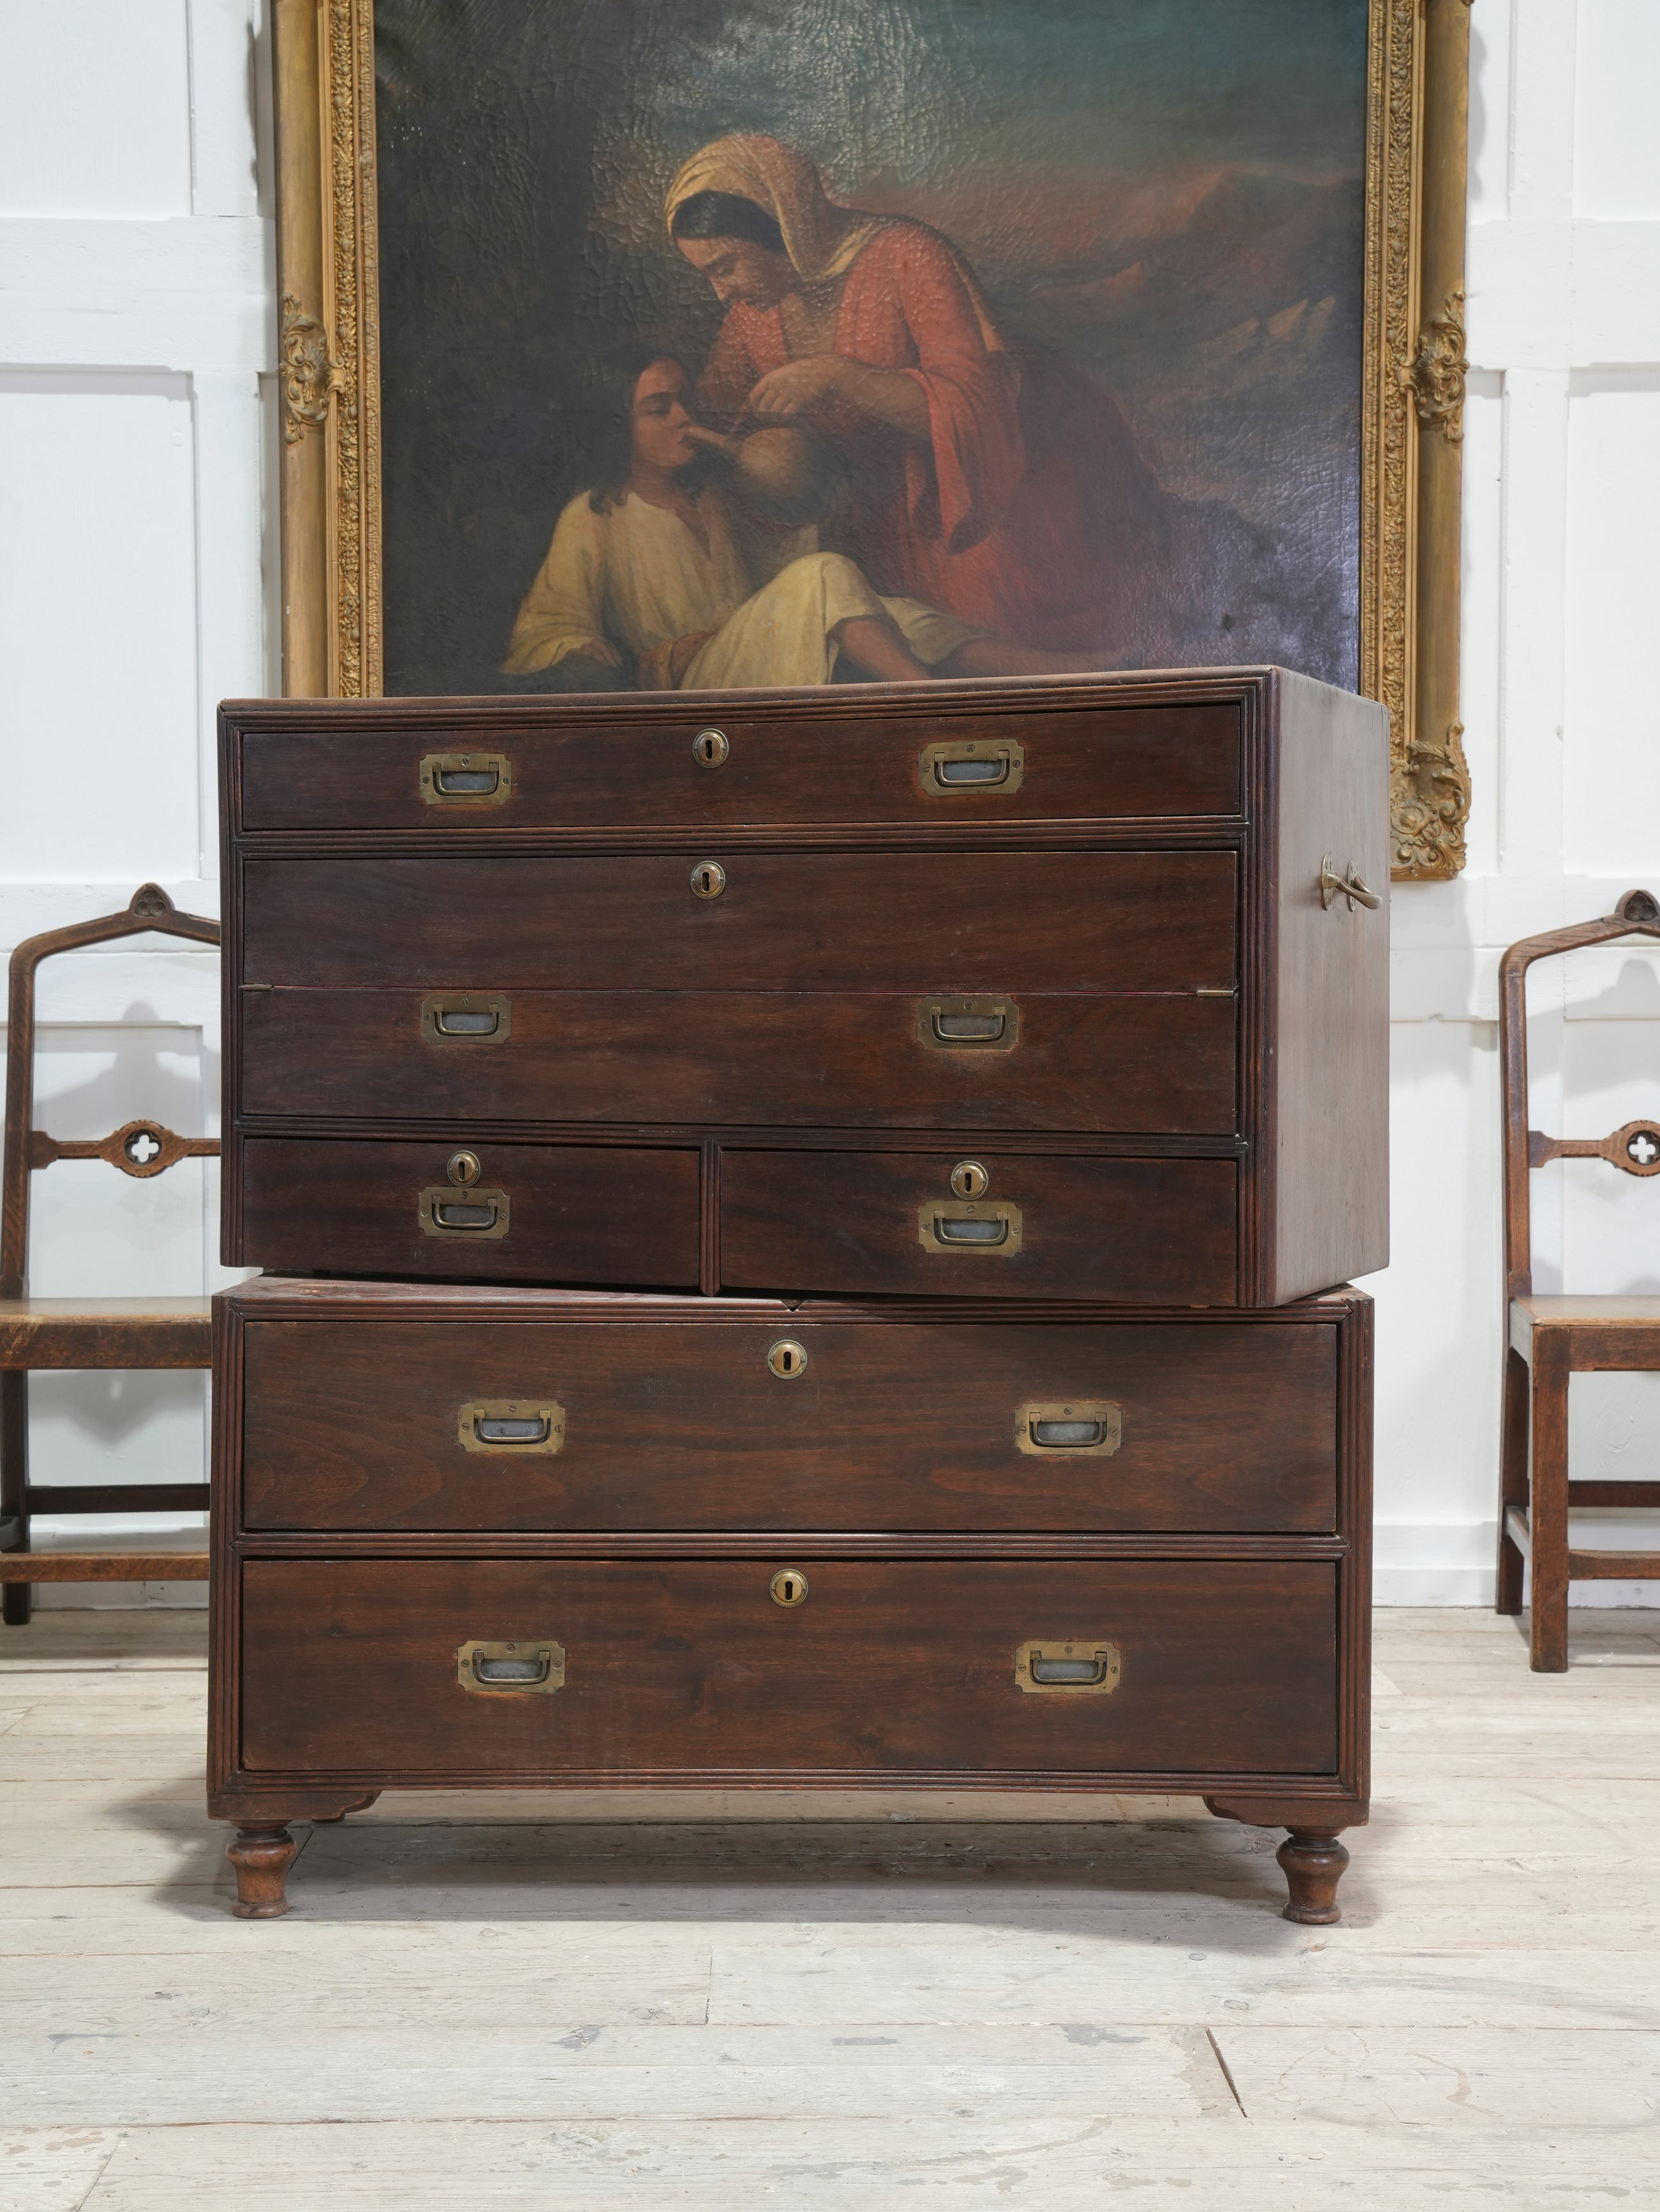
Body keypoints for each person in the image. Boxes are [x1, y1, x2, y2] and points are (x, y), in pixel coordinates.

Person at [666, 133, 1207, 662]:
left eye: (725, 266)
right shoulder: (750, 319)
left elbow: (975, 402)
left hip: (990, 483)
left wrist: (840, 375)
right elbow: (714, 417)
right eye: (707, 276)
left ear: (783, 227)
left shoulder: (906, 257)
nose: (721, 292)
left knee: (1001, 619)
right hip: (874, 514)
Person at [502, 352, 1059, 691]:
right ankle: (934, 699)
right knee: (826, 575)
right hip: (695, 682)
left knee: (885, 609)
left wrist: (812, 502)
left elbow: (773, 577)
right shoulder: (595, 515)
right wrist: (575, 647)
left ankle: (1054, 670)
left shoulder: (712, 494)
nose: (684, 417)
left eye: (685, 401)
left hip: (745, 649)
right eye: (659, 408)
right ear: (617, 424)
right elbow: (547, 627)